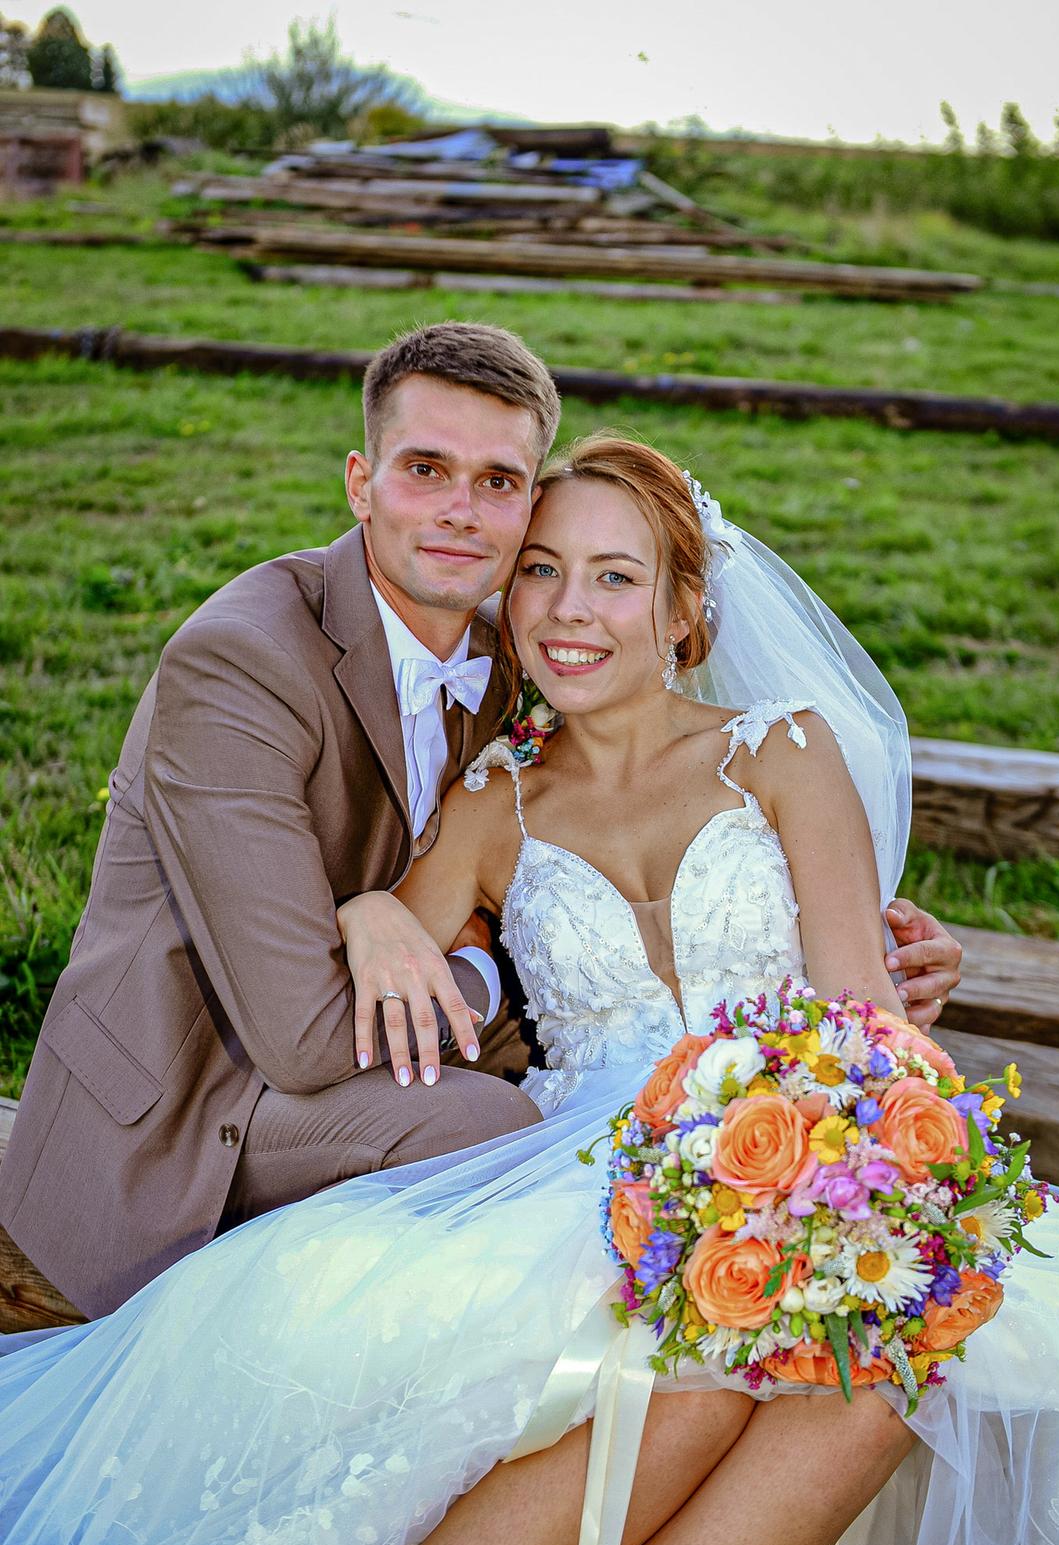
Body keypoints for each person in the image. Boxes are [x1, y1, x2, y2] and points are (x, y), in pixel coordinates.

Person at [0, 438, 1059, 1545]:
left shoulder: (780, 751)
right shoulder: (490, 801)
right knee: (687, 1383)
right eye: (541, 571)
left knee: (886, 1377)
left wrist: (845, 1163)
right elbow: (373, 989)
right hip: (580, 1174)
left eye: (614, 577)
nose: (568, 609)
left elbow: (861, 1014)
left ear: (682, 610)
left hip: (799, 1141)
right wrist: (364, 910)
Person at [0, 324, 959, 1319]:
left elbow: (814, 965)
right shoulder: (243, 665)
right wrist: (410, 933)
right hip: (203, 1089)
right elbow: (306, 1034)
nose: (462, 512)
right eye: (426, 470)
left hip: (702, 1109)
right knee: (494, 1145)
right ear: (360, 483)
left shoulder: (528, 660)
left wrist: (848, 946)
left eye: (497, 482)